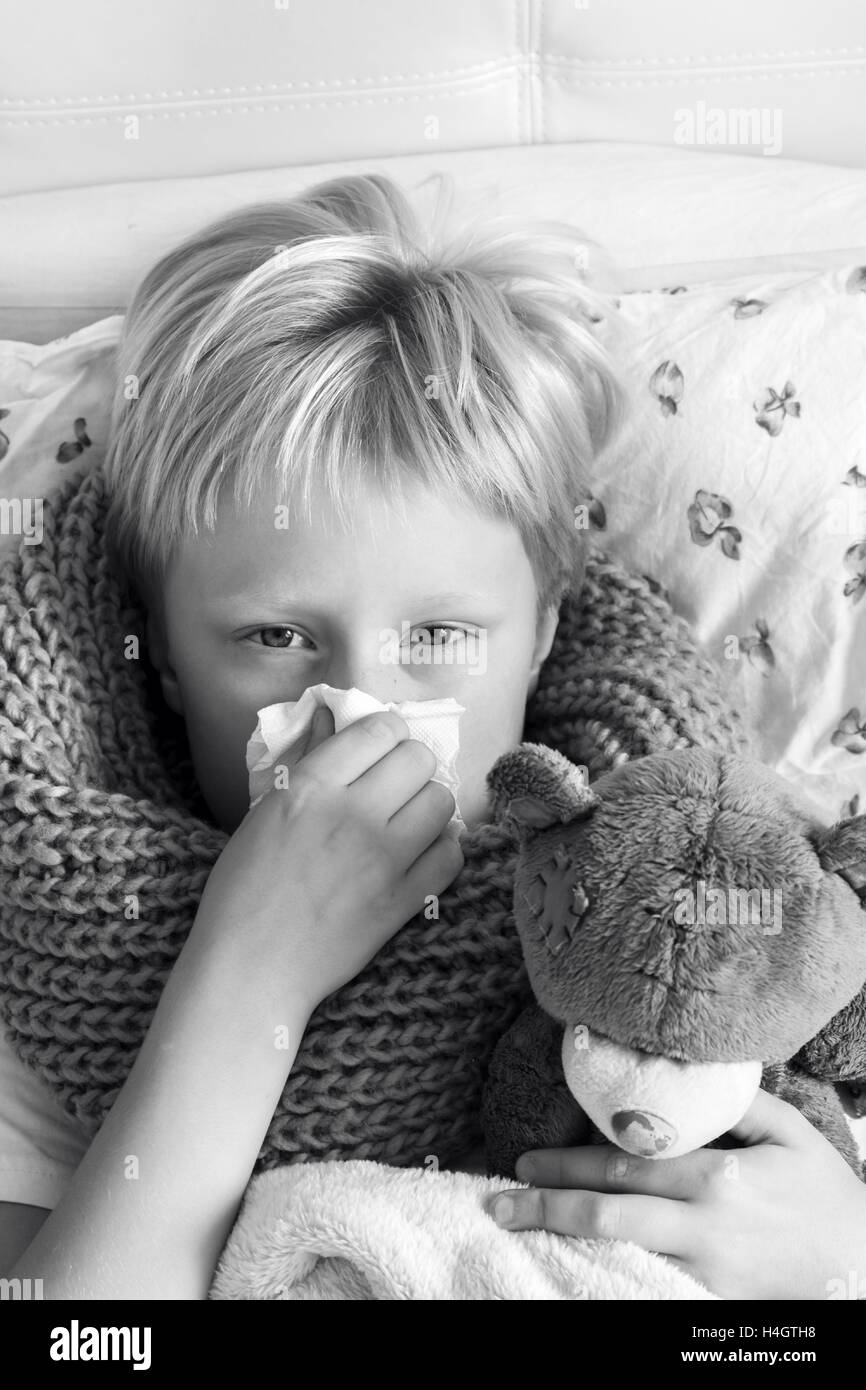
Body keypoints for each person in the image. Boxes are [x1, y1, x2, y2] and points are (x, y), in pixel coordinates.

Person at [1, 173, 864, 1300]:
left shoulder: (717, 897)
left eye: (441, 632)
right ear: (159, 653)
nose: (363, 701)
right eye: (271, 633)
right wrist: (248, 972)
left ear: (542, 633)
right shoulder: (57, 945)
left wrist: (837, 1263)